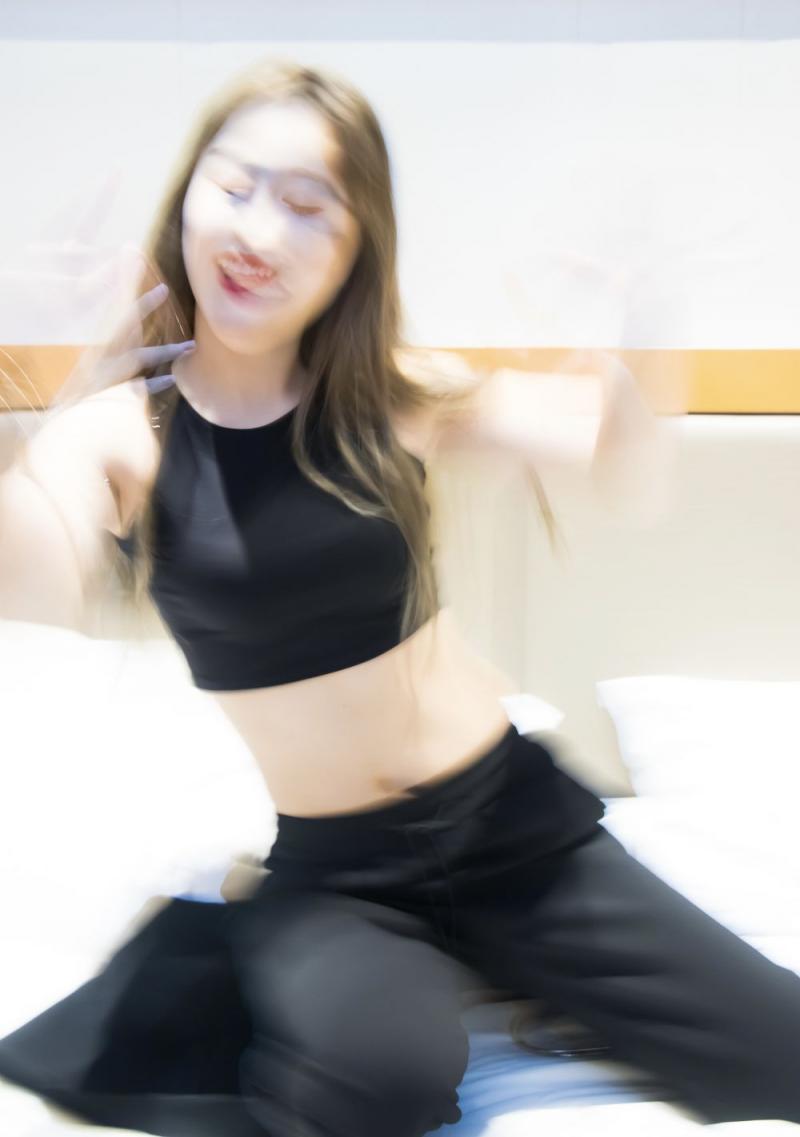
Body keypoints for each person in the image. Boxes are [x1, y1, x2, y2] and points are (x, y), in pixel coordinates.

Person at [0, 56, 799, 1137]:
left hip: (518, 828)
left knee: (784, 1058)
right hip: (343, 874)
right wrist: (48, 391)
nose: (259, 229)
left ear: (352, 250)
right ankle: (313, 947)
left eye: (306, 205)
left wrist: (639, 335)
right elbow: (29, 589)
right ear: (186, 200)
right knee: (378, 1087)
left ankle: (507, 959)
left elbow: (629, 475)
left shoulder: (387, 395)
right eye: (233, 186)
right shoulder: (123, 432)